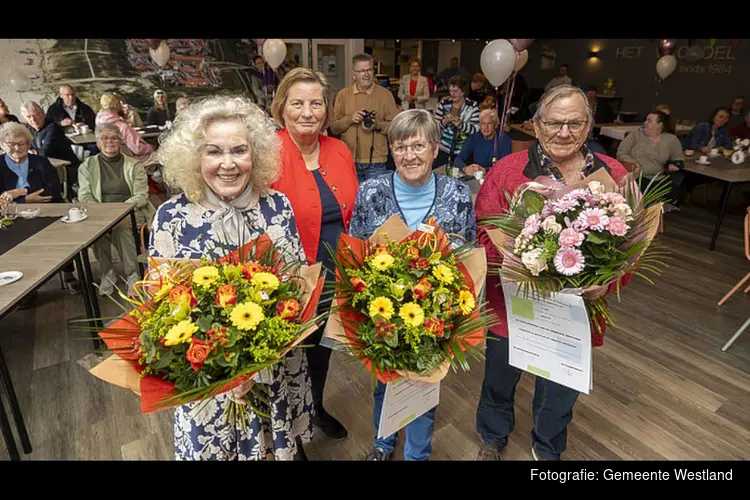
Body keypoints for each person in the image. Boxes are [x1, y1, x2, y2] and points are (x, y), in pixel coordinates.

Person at [149, 95, 313, 461]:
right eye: (213, 152)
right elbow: (161, 311)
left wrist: (259, 360)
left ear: (255, 154)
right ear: (194, 157)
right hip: (206, 380)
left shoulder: (277, 206)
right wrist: (228, 371)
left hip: (272, 371)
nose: (227, 164)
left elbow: (298, 291)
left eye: (239, 150)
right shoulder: (171, 218)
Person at [473, 84, 629, 461]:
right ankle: (493, 438)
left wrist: (606, 283)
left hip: (578, 311)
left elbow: (631, 245)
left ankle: (547, 449)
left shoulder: (614, 175)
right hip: (512, 307)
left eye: (575, 123)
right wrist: (516, 261)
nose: (564, 132)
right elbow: (483, 230)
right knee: (499, 378)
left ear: (589, 126)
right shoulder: (507, 171)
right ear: (537, 126)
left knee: (560, 388)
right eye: (555, 123)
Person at [349, 109, 476, 461]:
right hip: (383, 309)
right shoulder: (372, 190)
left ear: (436, 149)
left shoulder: (456, 193)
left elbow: (467, 250)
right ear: (391, 150)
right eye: (401, 147)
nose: (410, 156)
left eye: (418, 146)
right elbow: (356, 248)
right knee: (385, 377)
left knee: (425, 380)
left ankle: (417, 454)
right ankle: (383, 443)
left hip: (437, 308)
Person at [270, 67, 359, 440]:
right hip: (290, 280)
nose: (307, 112)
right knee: (288, 360)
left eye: (316, 103)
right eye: (298, 104)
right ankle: (288, 431)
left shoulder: (339, 149)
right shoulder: (268, 153)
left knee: (321, 352)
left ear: (326, 108)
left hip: (335, 276)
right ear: (282, 108)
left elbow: (355, 212)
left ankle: (316, 409)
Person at [0, 122, 81, 294]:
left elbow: (52, 190)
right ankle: (26, 286)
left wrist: (19, 192)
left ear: (29, 144)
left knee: (60, 233)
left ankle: (68, 274)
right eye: (11, 144)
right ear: (2, 144)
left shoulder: (41, 162)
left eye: (22, 143)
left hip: (47, 209)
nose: (17, 148)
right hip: (11, 215)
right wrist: (26, 199)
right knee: (11, 239)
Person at [76, 123, 155, 296]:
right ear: (97, 142)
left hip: (131, 211)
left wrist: (120, 211)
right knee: (96, 232)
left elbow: (141, 195)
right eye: (104, 138)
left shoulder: (134, 165)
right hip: (100, 213)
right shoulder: (87, 166)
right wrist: (104, 213)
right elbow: (85, 196)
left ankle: (132, 274)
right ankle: (107, 273)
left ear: (121, 141)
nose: (109, 142)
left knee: (122, 228)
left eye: (113, 138)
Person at [331, 52, 400, 183]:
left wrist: (377, 125)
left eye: (369, 69)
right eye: (362, 71)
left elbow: (395, 127)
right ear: (354, 74)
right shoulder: (343, 95)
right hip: (348, 159)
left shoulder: (385, 94)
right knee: (351, 202)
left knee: (375, 201)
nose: (366, 74)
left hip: (376, 161)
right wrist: (350, 118)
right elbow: (334, 128)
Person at [617, 110, 685, 208]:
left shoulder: (671, 140)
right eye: (645, 120)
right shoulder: (635, 135)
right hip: (636, 177)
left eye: (649, 121)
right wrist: (634, 163)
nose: (645, 122)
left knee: (671, 187)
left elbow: (679, 159)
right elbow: (621, 152)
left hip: (659, 178)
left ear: (660, 125)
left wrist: (674, 165)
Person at [21, 101, 81, 201]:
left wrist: (32, 151)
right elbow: (26, 147)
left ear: (42, 113)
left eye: (36, 115)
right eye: (29, 117)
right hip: (45, 167)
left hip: (66, 168)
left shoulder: (52, 128)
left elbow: (44, 152)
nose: (33, 119)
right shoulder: (29, 129)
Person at [432, 75, 480, 168]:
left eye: (455, 91)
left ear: (463, 92)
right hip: (443, 150)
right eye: (450, 91)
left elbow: (476, 130)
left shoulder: (472, 106)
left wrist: (460, 125)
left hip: (463, 153)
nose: (452, 94)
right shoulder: (444, 104)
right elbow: (433, 127)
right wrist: (444, 121)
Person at [454, 109, 512, 176]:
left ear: (495, 125)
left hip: (496, 176)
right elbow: (458, 158)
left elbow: (505, 167)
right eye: (483, 123)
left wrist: (485, 170)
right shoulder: (475, 137)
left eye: (489, 123)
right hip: (477, 176)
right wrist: (465, 168)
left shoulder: (504, 140)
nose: (486, 127)